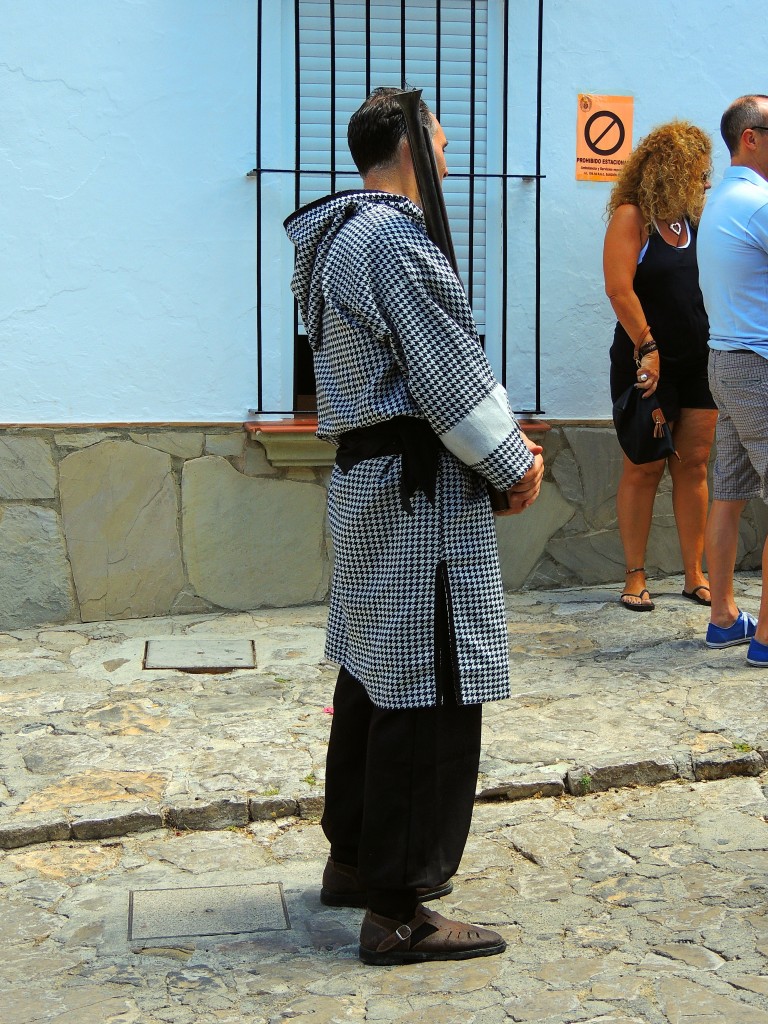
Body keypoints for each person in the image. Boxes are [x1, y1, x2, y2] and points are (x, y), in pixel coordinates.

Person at [284, 87, 544, 966]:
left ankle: (355, 860)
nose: (446, 149)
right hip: (417, 495)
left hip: (372, 483)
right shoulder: (392, 239)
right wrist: (515, 466)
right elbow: (446, 376)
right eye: (436, 136)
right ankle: (398, 908)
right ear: (406, 146)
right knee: (429, 686)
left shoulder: (335, 240)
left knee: (374, 672)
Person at [603, 121, 717, 611]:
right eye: (699, 170)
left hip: (698, 361)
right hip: (646, 359)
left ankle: (695, 574)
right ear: (673, 170)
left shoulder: (692, 220)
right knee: (643, 469)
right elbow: (618, 288)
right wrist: (646, 345)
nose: (707, 179)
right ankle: (635, 575)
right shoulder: (634, 217)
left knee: (692, 465)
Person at [697, 94, 768, 663]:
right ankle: (766, 638)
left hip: (726, 361)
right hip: (760, 365)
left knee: (730, 492)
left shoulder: (723, 198)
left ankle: (724, 618)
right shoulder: (758, 203)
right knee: (732, 493)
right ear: (751, 136)